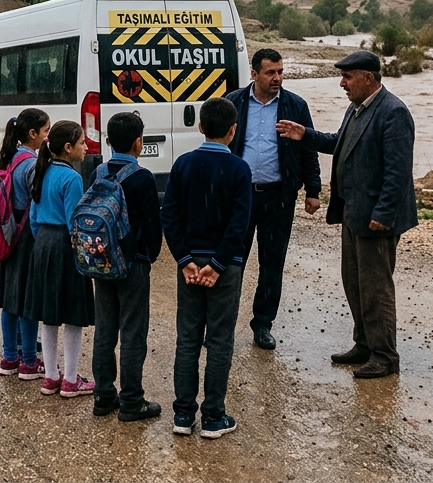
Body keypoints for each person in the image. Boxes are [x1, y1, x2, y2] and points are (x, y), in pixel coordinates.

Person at [275, 50, 416, 379]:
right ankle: (364, 344)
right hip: (354, 212)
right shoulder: (358, 108)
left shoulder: (394, 112)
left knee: (376, 287)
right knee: (355, 283)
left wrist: (383, 212)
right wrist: (305, 135)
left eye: (347, 77)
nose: (342, 83)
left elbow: (398, 172)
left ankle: (384, 355)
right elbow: (340, 143)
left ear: (368, 78)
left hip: (375, 218)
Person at [162, 97, 251, 439]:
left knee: (187, 338)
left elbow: (169, 215)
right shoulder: (240, 169)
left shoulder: (183, 164)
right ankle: (213, 416)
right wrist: (216, 265)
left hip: (190, 265)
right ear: (233, 130)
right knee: (219, 339)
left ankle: (183, 415)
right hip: (225, 266)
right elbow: (239, 222)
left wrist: (184, 259)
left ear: (199, 127)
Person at [226, 48, 322, 350]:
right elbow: (218, 145)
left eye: (280, 72)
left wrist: (313, 190)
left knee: (272, 263)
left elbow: (309, 148)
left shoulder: (295, 106)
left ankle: (263, 325)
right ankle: (222, 324)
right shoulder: (234, 102)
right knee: (230, 262)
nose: (277, 78)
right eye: (270, 72)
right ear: (254, 74)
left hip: (278, 197)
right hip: (238, 198)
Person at [90, 112, 163, 422]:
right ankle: (132, 400)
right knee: (133, 332)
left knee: (105, 328)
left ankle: (104, 396)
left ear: (108, 141)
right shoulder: (142, 177)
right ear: (138, 142)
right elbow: (152, 225)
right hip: (132, 264)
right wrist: (149, 257)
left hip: (101, 260)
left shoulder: (98, 172)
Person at [22, 121, 97, 399]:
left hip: (42, 243)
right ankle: (71, 379)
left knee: (49, 313)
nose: (86, 148)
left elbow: (32, 218)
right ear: (68, 148)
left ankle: (51, 377)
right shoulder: (73, 178)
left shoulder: (41, 171)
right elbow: (74, 223)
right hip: (65, 245)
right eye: (81, 143)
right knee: (73, 313)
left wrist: (43, 241)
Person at [0, 109, 50, 379]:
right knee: (28, 301)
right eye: (45, 131)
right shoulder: (31, 164)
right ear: (32, 133)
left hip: (9, 233)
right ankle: (28, 361)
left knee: (10, 301)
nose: (47, 137)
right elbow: (37, 205)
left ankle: (9, 357)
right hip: (26, 237)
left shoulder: (13, 157)